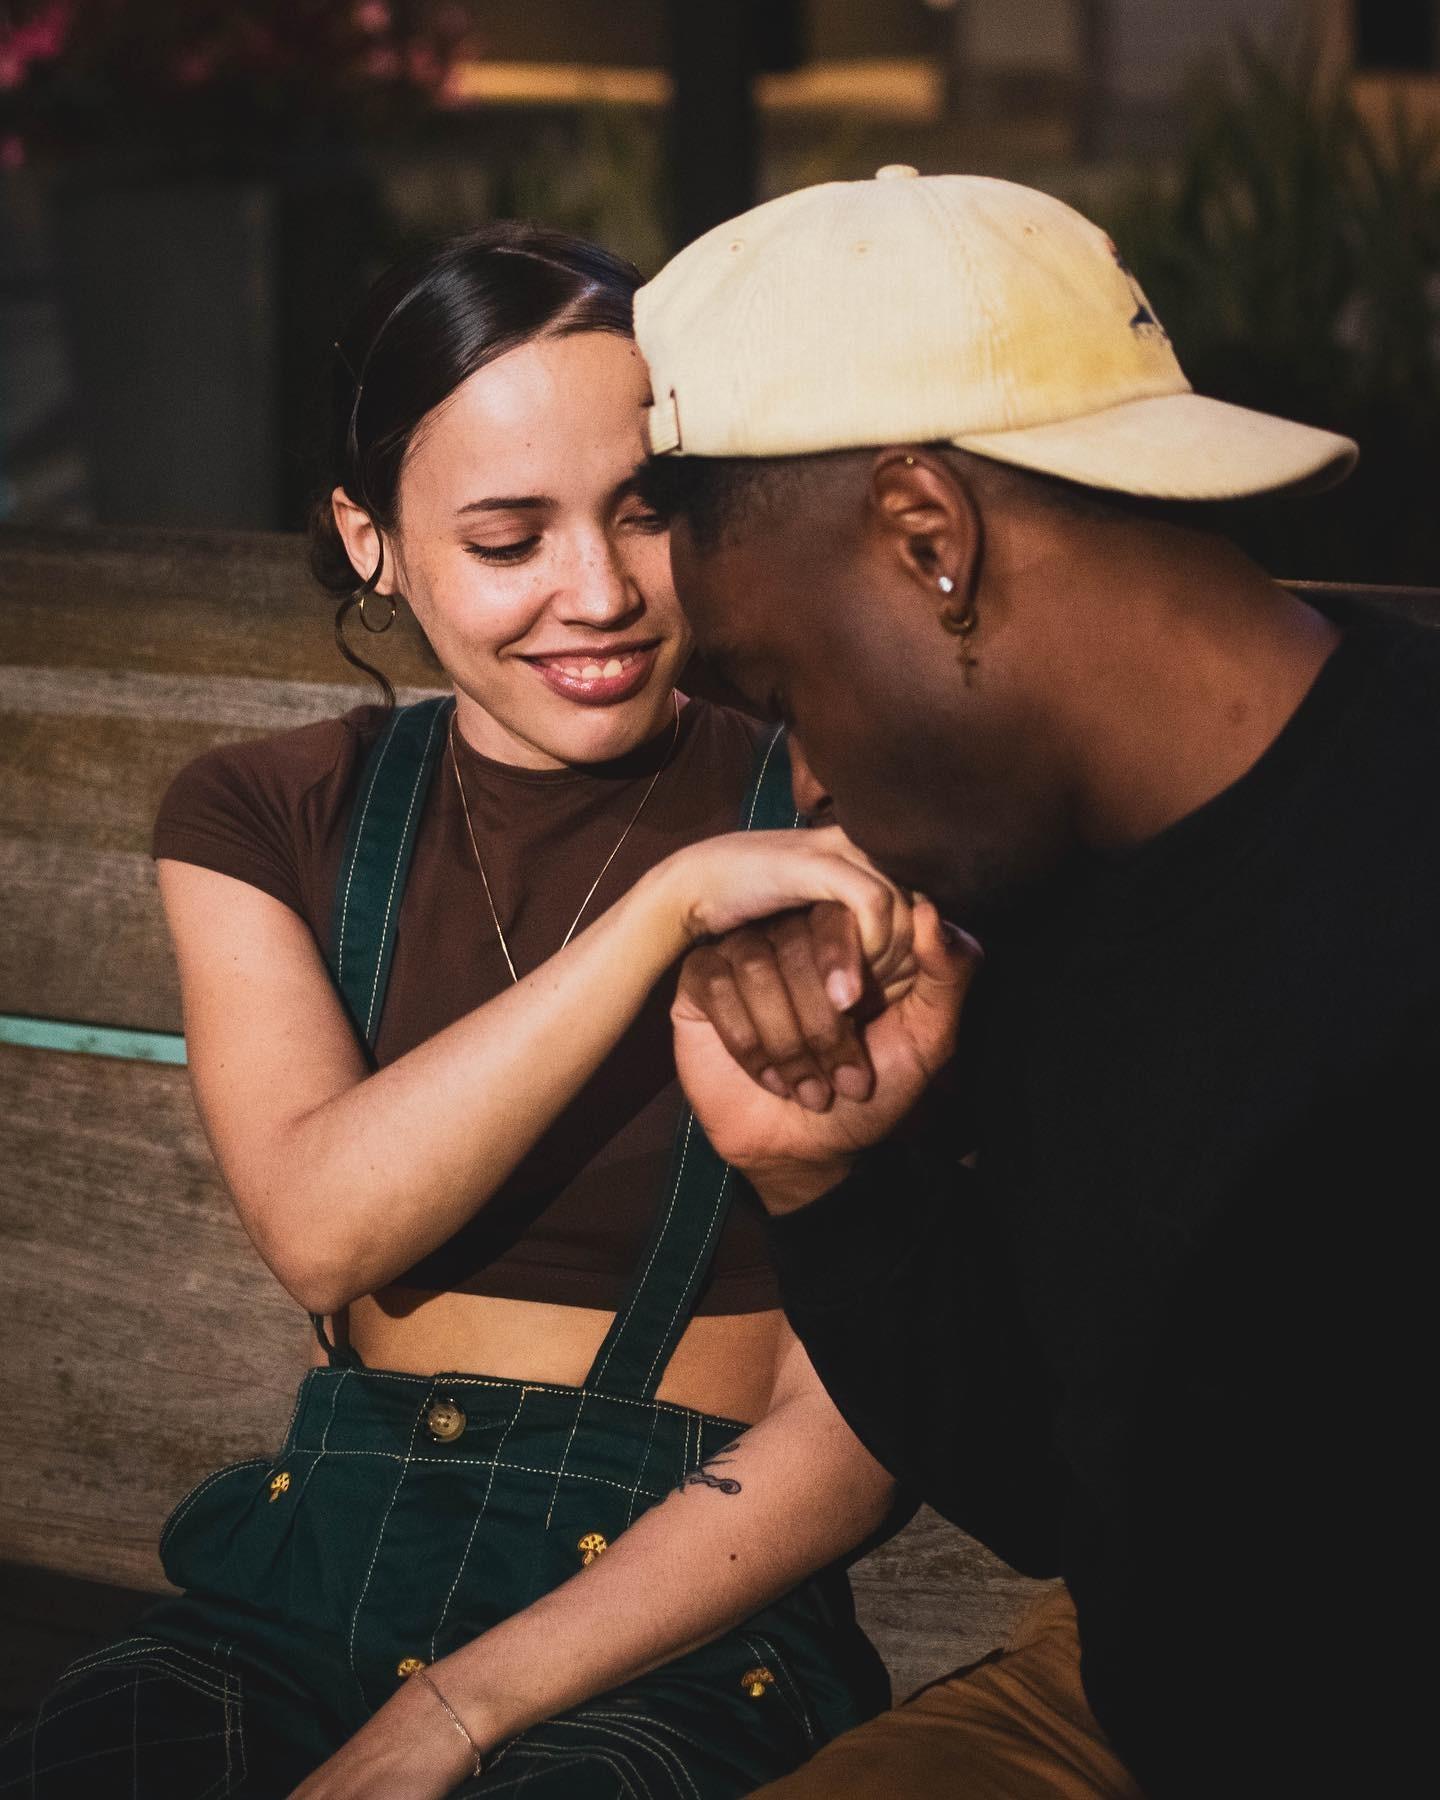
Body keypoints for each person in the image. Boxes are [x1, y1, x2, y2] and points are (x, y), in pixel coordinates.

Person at [0, 223, 917, 1800]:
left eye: (647, 513)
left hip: (672, 1622)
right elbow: (322, 1229)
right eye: (508, 540)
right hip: (310, 1582)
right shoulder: (264, 814)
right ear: (371, 539)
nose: (599, 595)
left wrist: (459, 1711)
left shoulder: (850, 802)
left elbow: (857, 1429)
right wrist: (659, 917)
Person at [631, 169, 1434, 1797]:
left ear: (928, 537)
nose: (805, 777)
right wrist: (830, 1183)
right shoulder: (1030, 893)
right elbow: (1060, 1495)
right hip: (1143, 1714)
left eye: (779, 687)